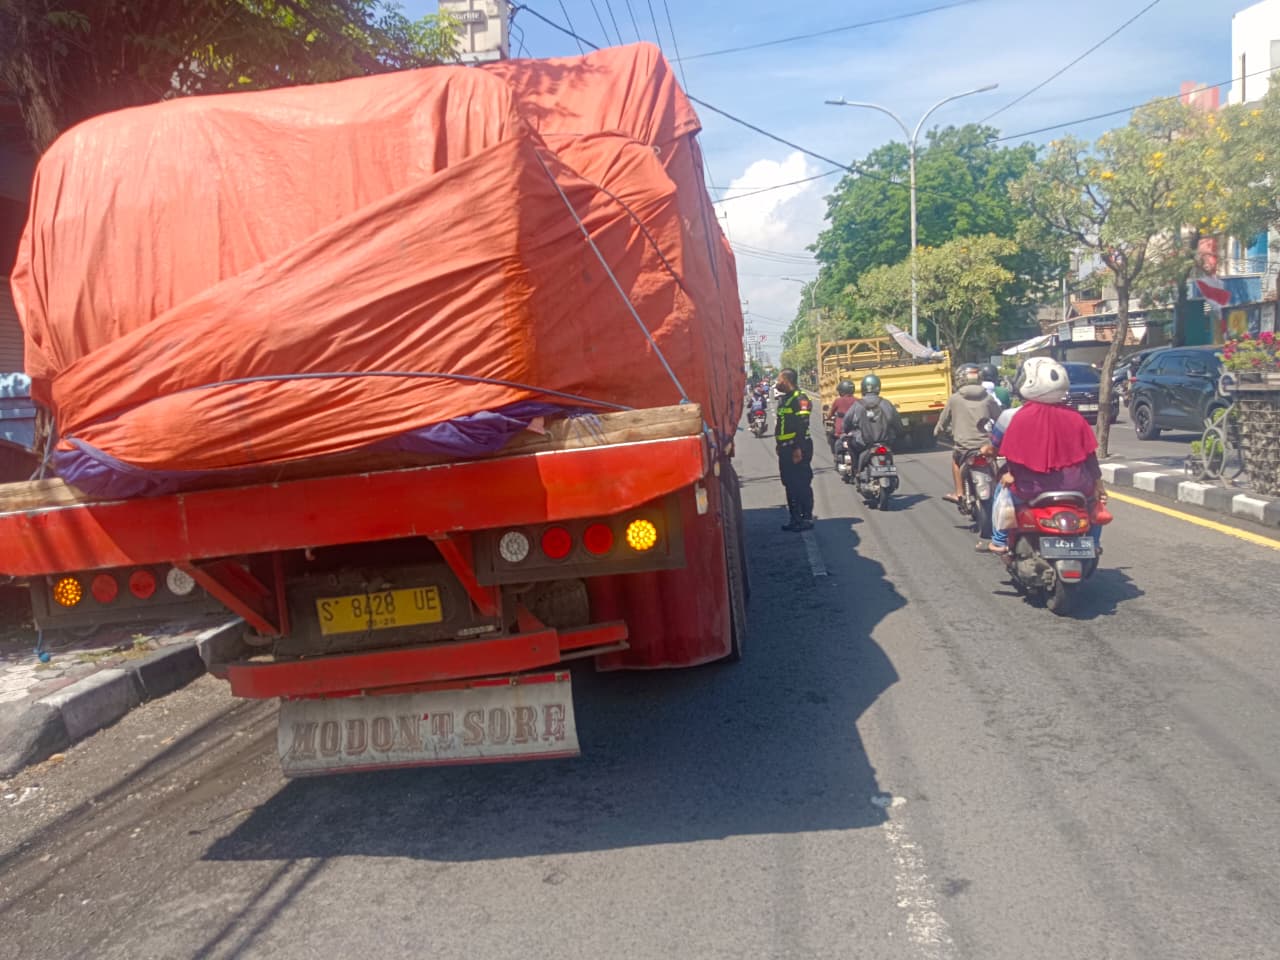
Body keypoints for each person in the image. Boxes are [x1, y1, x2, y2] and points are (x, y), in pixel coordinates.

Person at [985, 357, 1108, 555]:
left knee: (1002, 492)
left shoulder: (1018, 417)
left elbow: (1013, 454)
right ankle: (1093, 543)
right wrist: (1098, 484)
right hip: (1077, 486)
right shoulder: (1076, 417)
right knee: (1094, 505)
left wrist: (1010, 474)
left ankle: (999, 541)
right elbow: (1089, 456)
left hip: (1030, 487)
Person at [935, 365, 1001, 504]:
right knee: (995, 463)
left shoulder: (954, 399)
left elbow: (943, 421)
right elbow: (999, 418)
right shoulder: (988, 398)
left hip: (964, 447)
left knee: (955, 461)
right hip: (985, 446)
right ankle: (999, 492)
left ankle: (959, 494)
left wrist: (938, 431)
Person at [774, 367, 814, 532]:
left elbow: (803, 424)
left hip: (798, 447)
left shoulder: (800, 398)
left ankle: (806, 518)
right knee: (789, 484)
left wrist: (798, 449)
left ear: (787, 381)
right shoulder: (784, 399)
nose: (777, 383)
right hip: (785, 448)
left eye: (779, 380)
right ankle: (795, 518)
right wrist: (779, 444)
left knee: (801, 483)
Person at [841, 374, 900, 472]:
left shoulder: (858, 404)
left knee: (850, 445)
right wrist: (899, 433)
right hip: (885, 441)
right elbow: (896, 421)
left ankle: (855, 470)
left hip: (863, 442)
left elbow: (847, 421)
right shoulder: (886, 403)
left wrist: (845, 432)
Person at [828, 379, 858, 451]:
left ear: (842, 391)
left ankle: (834, 453)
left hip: (840, 431)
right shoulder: (858, 401)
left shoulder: (838, 401)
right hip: (855, 431)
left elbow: (830, 414)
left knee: (831, 436)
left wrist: (829, 417)